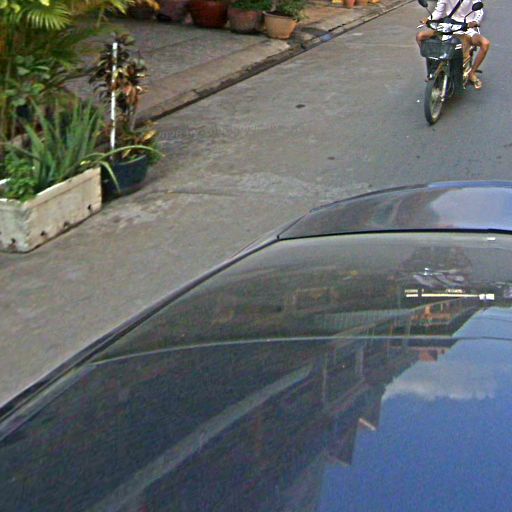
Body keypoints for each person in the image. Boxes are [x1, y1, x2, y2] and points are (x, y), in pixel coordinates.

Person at [416, 0, 490, 89]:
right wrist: (428, 19)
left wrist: (475, 22)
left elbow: (479, 12)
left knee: (485, 43)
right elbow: (438, 12)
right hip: (447, 26)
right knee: (420, 36)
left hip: (466, 27)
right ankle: (433, 68)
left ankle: (472, 73)